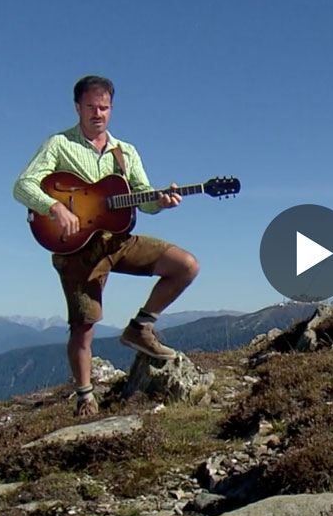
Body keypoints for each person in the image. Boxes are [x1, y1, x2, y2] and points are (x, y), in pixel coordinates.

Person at [13, 75, 199, 416]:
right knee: (84, 327)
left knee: (185, 265)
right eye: (90, 107)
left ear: (111, 109)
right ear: (77, 108)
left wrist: (162, 201)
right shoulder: (58, 144)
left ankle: (140, 328)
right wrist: (53, 207)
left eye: (104, 107)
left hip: (119, 241)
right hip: (78, 249)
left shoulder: (124, 152)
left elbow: (142, 197)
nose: (98, 114)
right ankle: (85, 396)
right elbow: (22, 185)